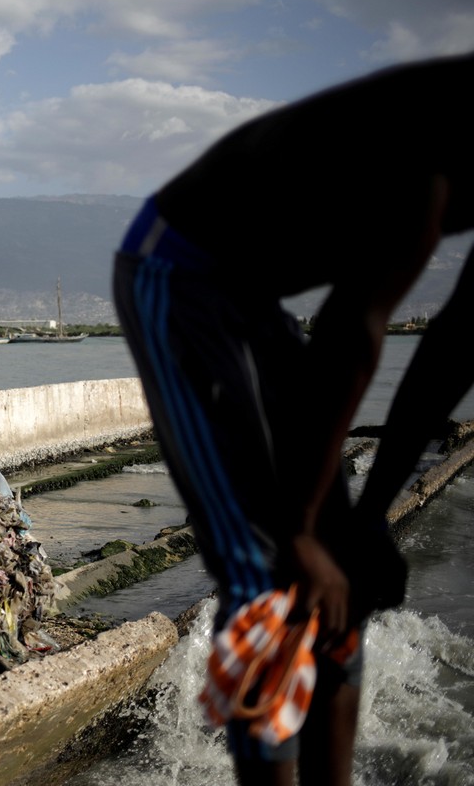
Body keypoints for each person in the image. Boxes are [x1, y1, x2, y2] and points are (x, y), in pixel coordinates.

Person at [112, 52, 474, 786]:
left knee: (348, 573)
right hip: (178, 274)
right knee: (269, 569)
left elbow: (452, 351)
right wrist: (302, 529)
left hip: (256, 300)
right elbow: (353, 331)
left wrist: (369, 518)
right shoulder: (443, 131)